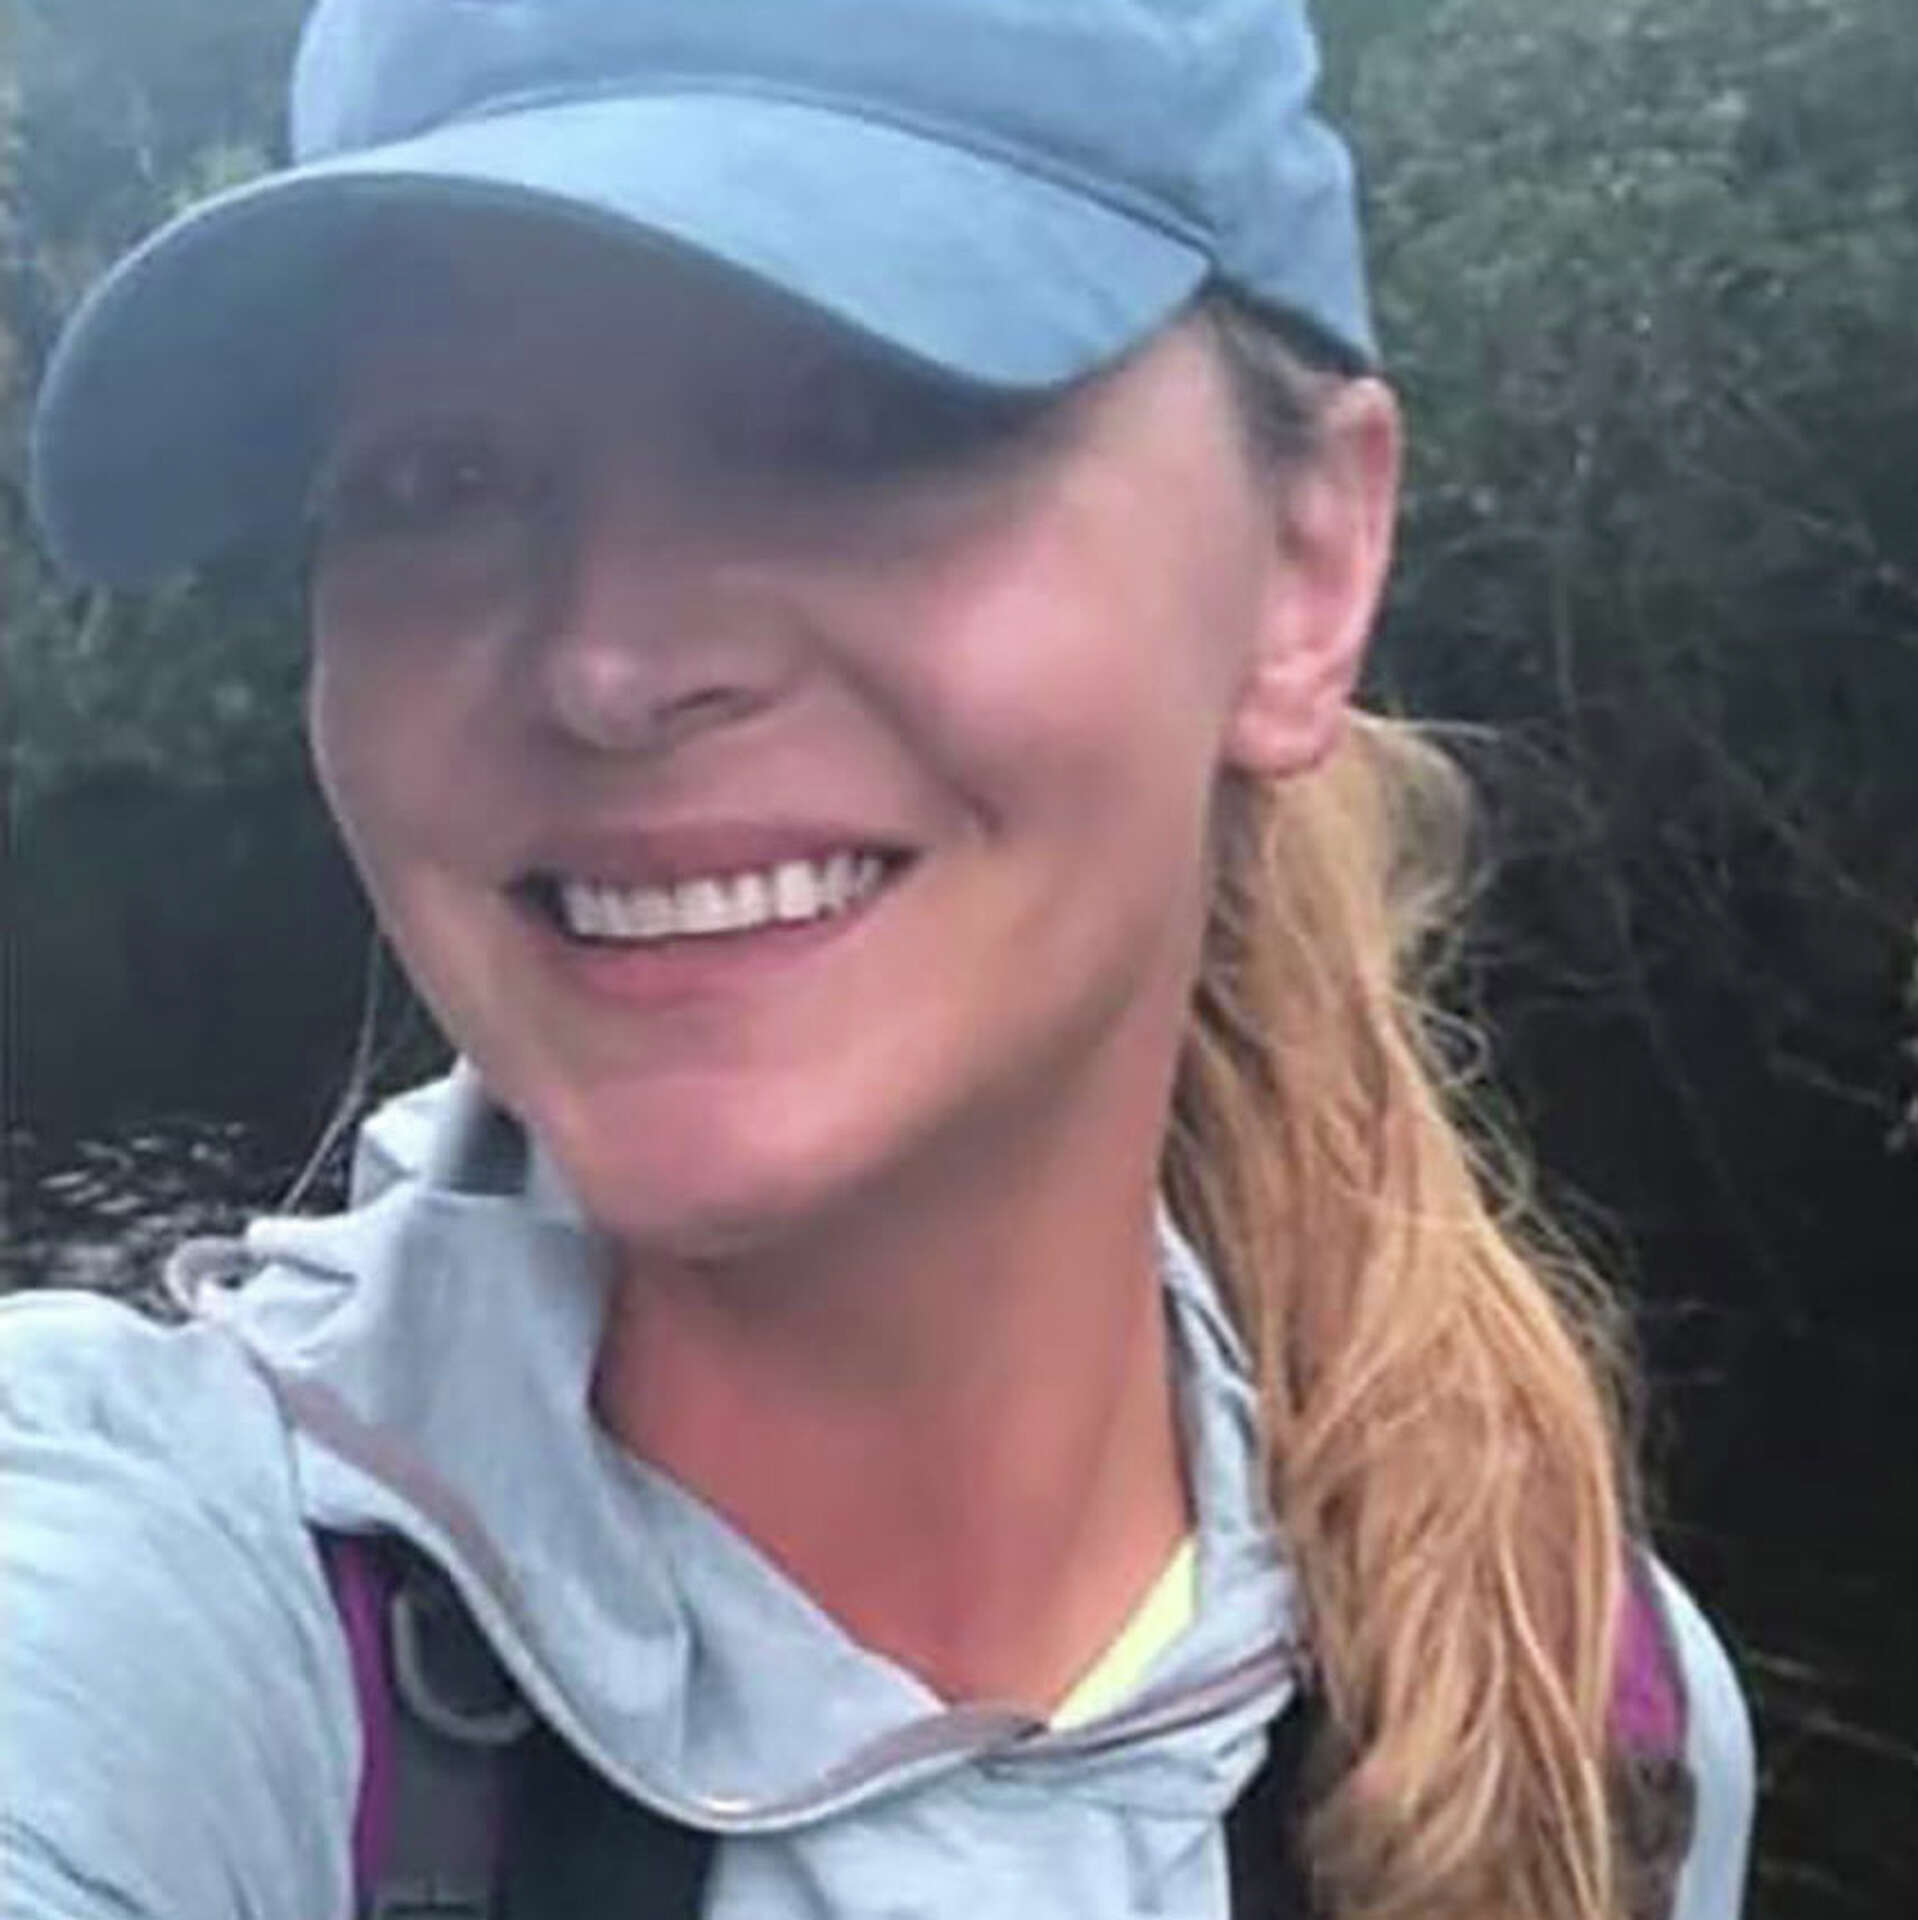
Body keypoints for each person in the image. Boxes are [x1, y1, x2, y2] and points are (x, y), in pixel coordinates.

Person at [6, 1, 1755, 1916]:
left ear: (1305, 568)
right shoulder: (153, 1621)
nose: (612, 662)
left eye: (860, 426)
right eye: (436, 482)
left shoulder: (1589, 1715)